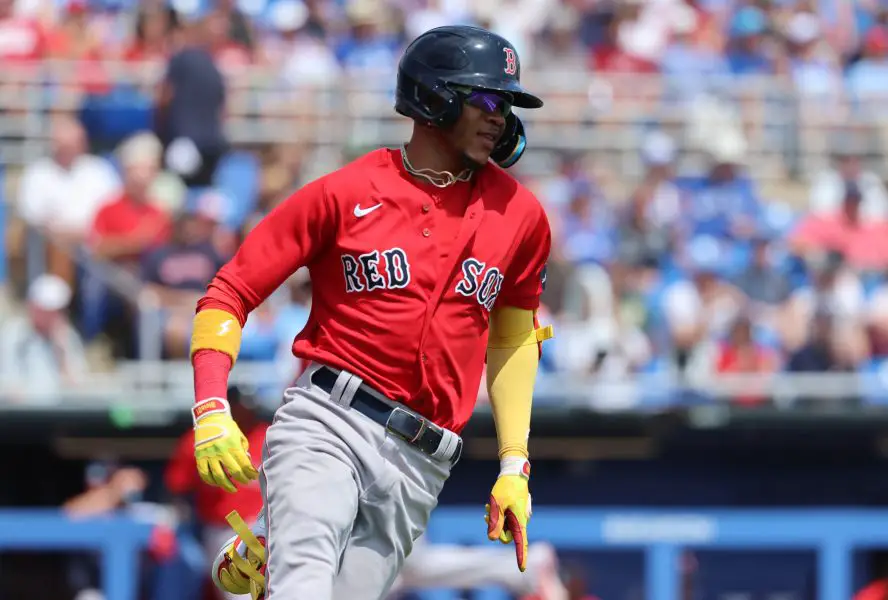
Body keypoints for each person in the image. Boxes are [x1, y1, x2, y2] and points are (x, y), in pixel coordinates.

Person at [188, 24, 552, 600]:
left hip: (422, 462)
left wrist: (514, 466)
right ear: (433, 98)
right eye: (485, 98)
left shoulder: (522, 215)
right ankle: (282, 534)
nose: (500, 117)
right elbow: (228, 293)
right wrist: (211, 405)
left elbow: (512, 339)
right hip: (329, 419)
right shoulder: (344, 191)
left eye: (507, 104)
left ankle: (268, 536)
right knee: (304, 587)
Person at [165, 384, 268, 600]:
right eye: (241, 407)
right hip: (224, 530)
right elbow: (177, 487)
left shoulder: (270, 436)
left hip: (268, 527)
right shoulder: (202, 439)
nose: (247, 413)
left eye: (250, 408)